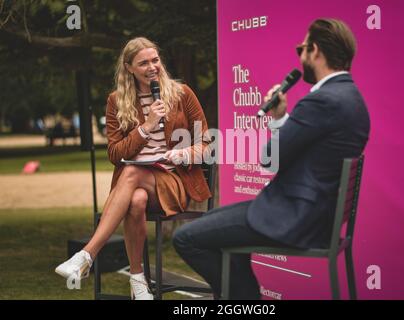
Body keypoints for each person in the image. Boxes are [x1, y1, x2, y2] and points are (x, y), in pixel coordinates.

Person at [172, 18, 371, 299]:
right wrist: (281, 118)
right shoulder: (352, 98)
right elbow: (303, 152)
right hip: (315, 216)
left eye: (302, 49)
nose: (301, 56)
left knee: (186, 237)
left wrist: (276, 122)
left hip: (295, 218)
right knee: (217, 225)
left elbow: (270, 158)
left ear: (314, 50)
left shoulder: (323, 100)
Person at [55, 37, 211, 300]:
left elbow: (206, 143)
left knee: (130, 174)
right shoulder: (117, 101)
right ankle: (138, 282)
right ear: (129, 68)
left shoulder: (182, 94)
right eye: (143, 63)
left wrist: (181, 153)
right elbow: (115, 154)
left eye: (155, 60)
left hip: (175, 180)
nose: (152, 67)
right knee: (136, 198)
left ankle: (87, 255)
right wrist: (146, 127)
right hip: (139, 187)